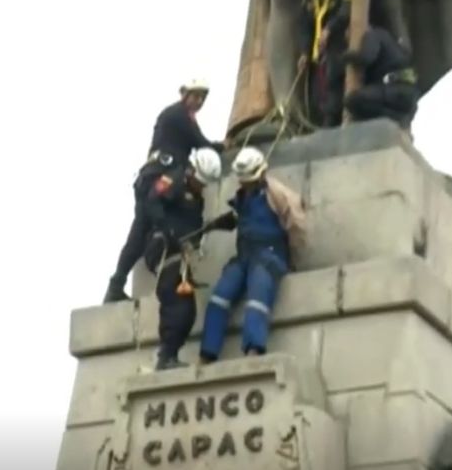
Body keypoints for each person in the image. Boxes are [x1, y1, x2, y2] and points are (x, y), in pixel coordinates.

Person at [198, 147, 306, 363]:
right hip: (245, 255)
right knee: (220, 297)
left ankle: (254, 348)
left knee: (258, 297)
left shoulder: (276, 194)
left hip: (269, 254)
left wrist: (294, 259)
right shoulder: (241, 197)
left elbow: (296, 226)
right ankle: (208, 352)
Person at [102, 148, 222, 304]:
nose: (201, 187)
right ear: (192, 172)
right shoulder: (174, 178)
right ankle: (115, 287)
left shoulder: (195, 195)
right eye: (199, 182)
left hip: (169, 213)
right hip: (148, 205)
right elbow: (153, 198)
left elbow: (192, 218)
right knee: (136, 241)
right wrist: (164, 227)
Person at [341, 26, 421, 129]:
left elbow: (366, 58)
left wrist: (346, 56)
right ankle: (399, 119)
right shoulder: (392, 42)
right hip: (408, 95)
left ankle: (396, 120)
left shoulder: (374, 34)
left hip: (395, 89)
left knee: (352, 101)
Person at [297, 0, 352, 127]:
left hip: (336, 51)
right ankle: (320, 125)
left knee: (333, 94)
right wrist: (304, 52)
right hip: (317, 57)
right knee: (316, 97)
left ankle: (331, 125)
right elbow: (305, 27)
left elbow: (345, 13)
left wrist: (329, 29)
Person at [148, 79, 225, 165]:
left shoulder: (182, 113)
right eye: (196, 96)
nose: (200, 101)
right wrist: (223, 146)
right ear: (186, 96)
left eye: (203, 98)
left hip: (161, 162)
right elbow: (199, 141)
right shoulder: (179, 113)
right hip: (168, 164)